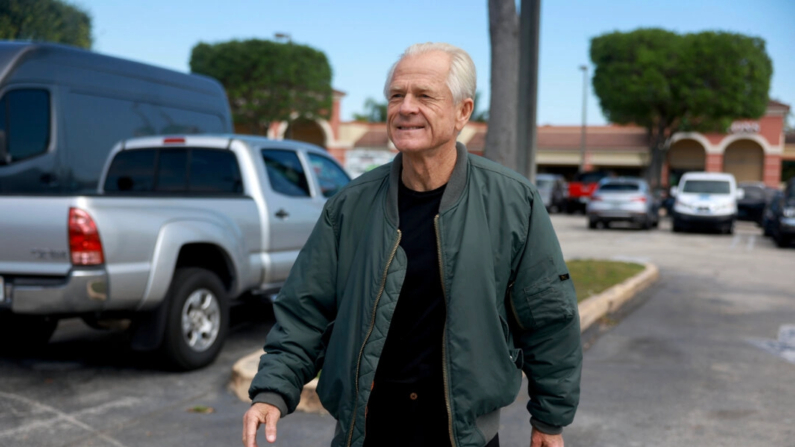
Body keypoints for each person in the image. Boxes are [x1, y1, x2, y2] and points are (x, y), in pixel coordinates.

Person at [243, 42, 582, 447]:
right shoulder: (350, 205)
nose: (405, 107)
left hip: (464, 436)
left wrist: (549, 418)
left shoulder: (513, 201)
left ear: (463, 112)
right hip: (368, 432)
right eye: (396, 95)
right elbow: (305, 310)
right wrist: (273, 390)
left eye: (424, 95)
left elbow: (548, 318)